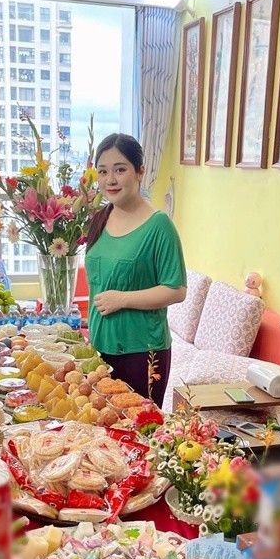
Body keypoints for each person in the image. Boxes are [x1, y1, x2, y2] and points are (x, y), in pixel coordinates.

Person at [85, 133, 187, 407]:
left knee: (139, 427)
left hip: (142, 352)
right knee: (100, 426)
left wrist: (122, 299)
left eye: (120, 170)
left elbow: (176, 290)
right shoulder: (99, 219)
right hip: (99, 348)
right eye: (103, 171)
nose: (110, 180)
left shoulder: (159, 226)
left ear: (140, 171)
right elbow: (98, 282)